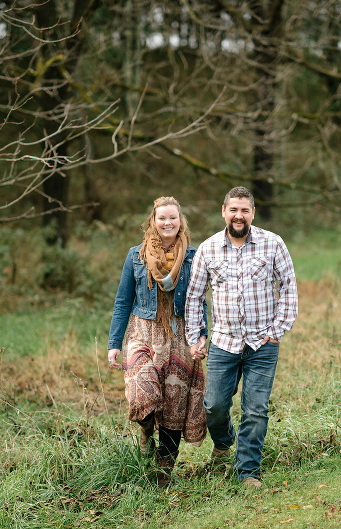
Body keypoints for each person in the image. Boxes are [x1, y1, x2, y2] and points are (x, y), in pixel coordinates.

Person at [185, 186, 298, 489]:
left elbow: (288, 287)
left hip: (263, 343)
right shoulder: (208, 249)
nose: (238, 215)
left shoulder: (273, 244)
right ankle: (223, 443)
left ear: (253, 213)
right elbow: (194, 297)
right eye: (233, 210)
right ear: (224, 211)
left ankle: (248, 472)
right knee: (214, 406)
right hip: (223, 342)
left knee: (256, 408)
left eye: (244, 210)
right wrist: (196, 336)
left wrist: (276, 332)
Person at [108, 196, 208, 486]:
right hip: (143, 333)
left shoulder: (193, 256)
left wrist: (201, 336)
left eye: (172, 218)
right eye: (161, 218)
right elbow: (122, 301)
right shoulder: (135, 256)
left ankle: (163, 473)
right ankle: (144, 431)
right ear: (153, 221)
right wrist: (114, 343)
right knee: (142, 395)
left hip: (180, 336)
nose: (167, 223)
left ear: (180, 221)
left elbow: (198, 300)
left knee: (175, 407)